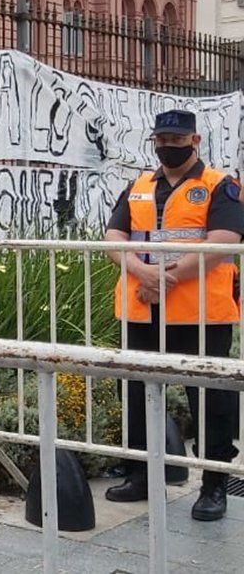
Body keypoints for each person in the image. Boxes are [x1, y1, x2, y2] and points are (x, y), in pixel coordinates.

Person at [103, 109, 243, 522]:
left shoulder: (220, 186)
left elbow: (224, 240)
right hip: (143, 310)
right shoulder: (138, 185)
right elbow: (114, 236)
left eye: (178, 141)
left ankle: (214, 484)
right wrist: (140, 271)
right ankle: (141, 475)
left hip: (200, 314)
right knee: (136, 395)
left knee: (210, 401)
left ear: (195, 141)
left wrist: (165, 278)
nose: (169, 147)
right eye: (162, 139)